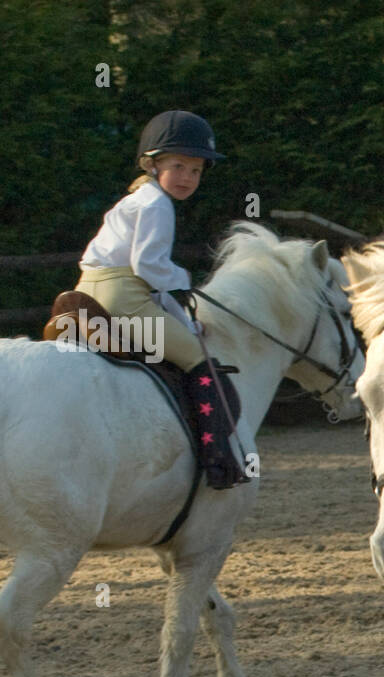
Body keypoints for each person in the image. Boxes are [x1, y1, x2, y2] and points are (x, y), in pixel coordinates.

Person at [75, 110, 246, 489]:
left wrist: (183, 320)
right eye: (179, 166)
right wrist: (183, 279)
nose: (188, 177)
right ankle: (217, 461)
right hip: (122, 298)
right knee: (201, 362)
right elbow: (149, 267)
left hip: (87, 290)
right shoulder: (158, 205)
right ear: (152, 165)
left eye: (197, 171)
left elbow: (151, 288)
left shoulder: (136, 199)